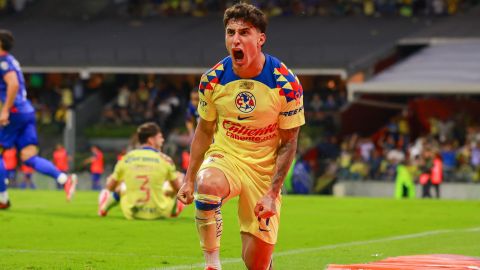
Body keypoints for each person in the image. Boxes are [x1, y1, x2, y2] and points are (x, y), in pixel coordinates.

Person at [176, 3, 305, 269]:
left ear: (260, 39)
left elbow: (289, 140)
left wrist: (272, 193)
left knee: (255, 263)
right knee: (207, 184)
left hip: (263, 171)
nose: (236, 39)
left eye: (245, 32)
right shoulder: (212, 80)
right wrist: (189, 180)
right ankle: (212, 264)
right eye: (230, 32)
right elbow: (204, 130)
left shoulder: (286, 84)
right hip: (228, 157)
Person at [0, 29, 76, 209]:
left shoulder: (3, 62)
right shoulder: (11, 61)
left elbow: (14, 84)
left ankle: (2, 199)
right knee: (28, 156)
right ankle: (64, 179)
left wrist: (5, 111)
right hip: (26, 111)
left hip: (14, 113)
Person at [98, 122, 185, 220]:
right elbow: (178, 189)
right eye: (160, 137)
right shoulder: (166, 160)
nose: (163, 140)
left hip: (132, 213)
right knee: (179, 178)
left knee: (121, 185)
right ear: (151, 140)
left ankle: (104, 208)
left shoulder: (126, 158)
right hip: (160, 213)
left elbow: (110, 187)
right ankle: (174, 211)